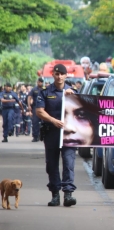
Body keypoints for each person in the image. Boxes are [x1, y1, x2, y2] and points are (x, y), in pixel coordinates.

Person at [36, 64, 78, 207]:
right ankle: (55, 195)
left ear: (66, 76)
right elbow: (39, 111)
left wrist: (71, 98)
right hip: (51, 133)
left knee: (68, 163)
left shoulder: (74, 92)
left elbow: (83, 110)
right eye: (57, 74)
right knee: (52, 164)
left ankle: (68, 194)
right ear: (53, 75)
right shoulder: (45, 92)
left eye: (62, 74)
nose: (59, 76)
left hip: (68, 134)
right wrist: (53, 121)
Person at [28, 78, 45, 142]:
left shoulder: (44, 89)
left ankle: (42, 136)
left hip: (43, 107)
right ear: (37, 82)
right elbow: (29, 97)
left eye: (41, 82)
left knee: (44, 122)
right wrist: (29, 105)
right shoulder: (34, 89)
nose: (40, 83)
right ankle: (35, 136)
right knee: (35, 122)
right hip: (35, 107)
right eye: (39, 82)